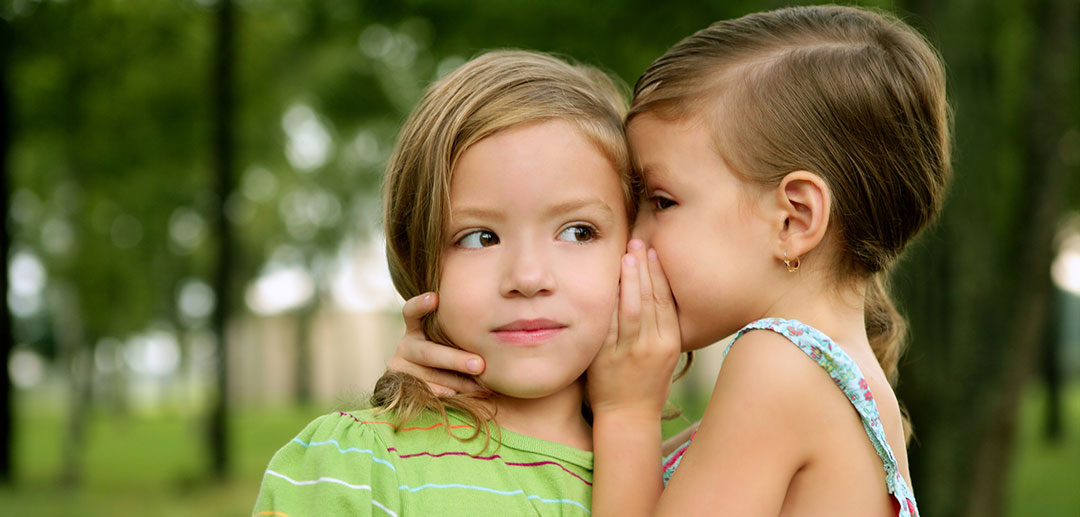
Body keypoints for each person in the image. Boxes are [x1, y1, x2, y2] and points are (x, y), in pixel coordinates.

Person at [391, 5, 950, 516]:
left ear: (793, 220)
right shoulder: (840, 379)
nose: (634, 239)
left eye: (660, 202)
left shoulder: (776, 367)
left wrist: (628, 413)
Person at [252, 50, 645, 516]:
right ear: (416, 255)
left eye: (578, 232)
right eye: (480, 238)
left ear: (637, 243)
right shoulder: (359, 464)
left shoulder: (682, 472)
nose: (528, 277)